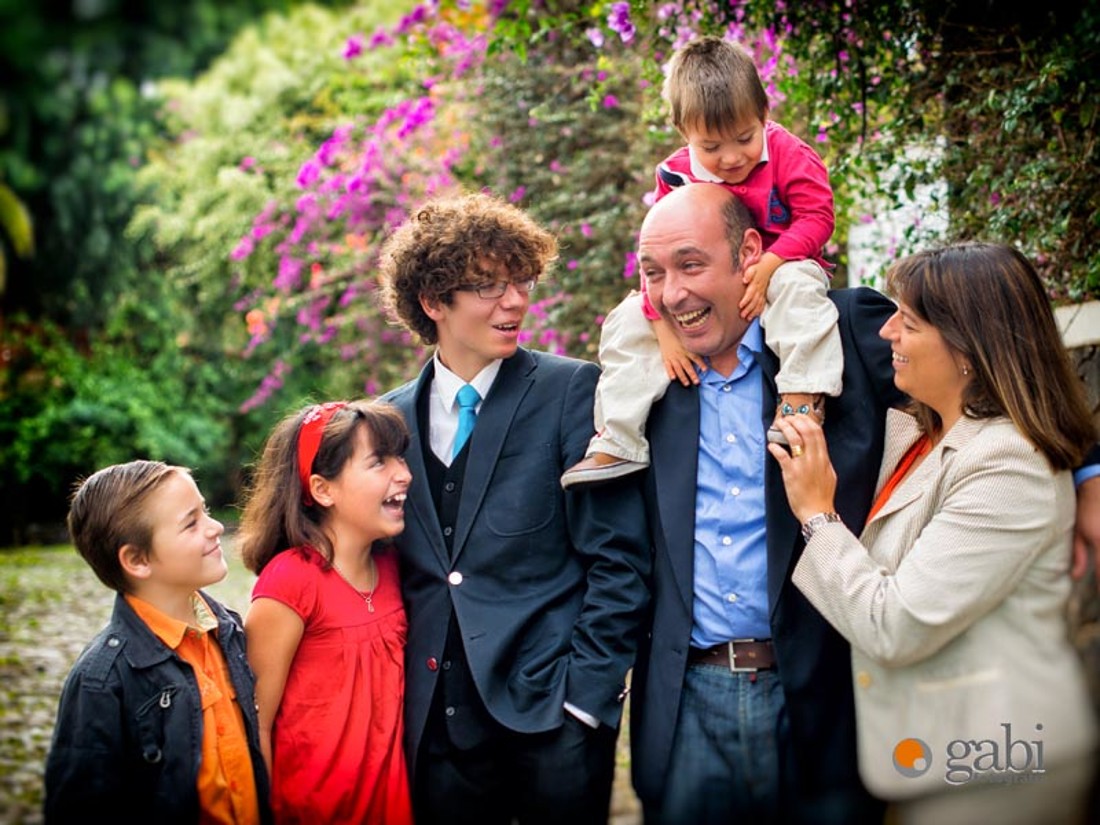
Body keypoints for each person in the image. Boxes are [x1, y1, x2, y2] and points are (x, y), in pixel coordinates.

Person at [630, 182, 1100, 825]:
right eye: (654, 274)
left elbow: (1022, 377)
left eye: (690, 264)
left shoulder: (842, 330)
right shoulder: (645, 364)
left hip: (857, 711)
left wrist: (1089, 474)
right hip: (690, 703)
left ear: (748, 253)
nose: (672, 292)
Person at [769, 242, 1099, 824]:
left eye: (909, 321)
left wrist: (816, 513)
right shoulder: (922, 436)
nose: (887, 331)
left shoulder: (1008, 463)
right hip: (934, 752)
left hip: (999, 765)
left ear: (969, 348)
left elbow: (894, 625)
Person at [377, 191, 650, 825]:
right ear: (432, 302)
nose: (516, 302)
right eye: (488, 287)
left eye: (521, 281)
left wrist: (585, 700)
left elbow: (620, 558)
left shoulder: (571, 391)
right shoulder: (387, 422)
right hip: (432, 729)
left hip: (552, 722)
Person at [562, 34, 841, 488]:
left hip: (782, 266)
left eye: (745, 138)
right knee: (625, 320)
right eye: (711, 147)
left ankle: (799, 400)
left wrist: (771, 262)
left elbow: (817, 218)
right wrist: (659, 327)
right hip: (712, 282)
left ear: (763, 115)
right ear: (684, 133)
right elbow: (660, 251)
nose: (731, 157)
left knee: (798, 291)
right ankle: (618, 438)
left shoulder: (791, 154)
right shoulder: (676, 174)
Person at [44, 460, 271, 824]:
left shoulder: (228, 631)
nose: (215, 528)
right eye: (191, 523)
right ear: (137, 559)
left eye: (206, 511)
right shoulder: (100, 682)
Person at [238, 400, 413, 825]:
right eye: (377, 462)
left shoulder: (395, 569)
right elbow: (255, 721)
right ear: (322, 489)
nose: (404, 474)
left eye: (399, 457)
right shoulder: (291, 582)